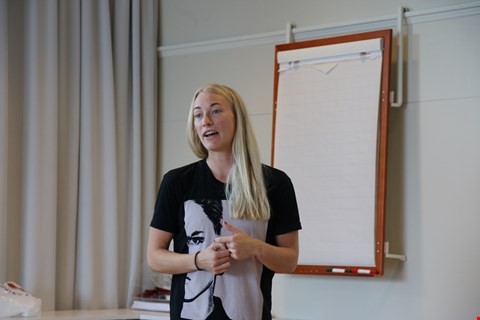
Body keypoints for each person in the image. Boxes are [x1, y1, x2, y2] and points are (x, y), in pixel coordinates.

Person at [147, 83, 301, 320]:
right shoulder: (176, 181)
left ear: (237, 118)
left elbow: (289, 261)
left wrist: (256, 247)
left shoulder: (276, 183)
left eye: (215, 111)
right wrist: (199, 260)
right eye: (198, 115)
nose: (205, 121)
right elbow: (155, 257)